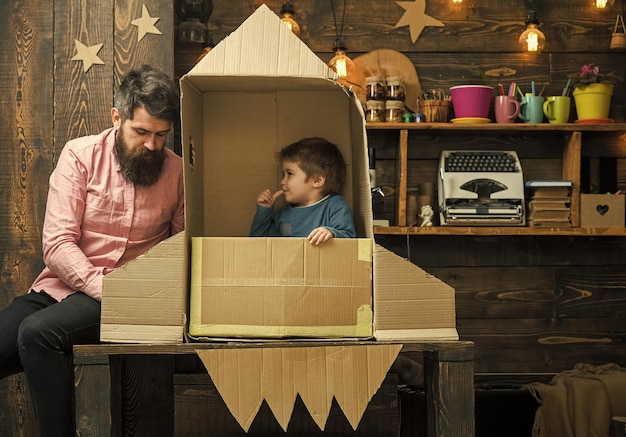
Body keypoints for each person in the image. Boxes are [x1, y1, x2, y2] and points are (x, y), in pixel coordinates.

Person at [0, 65, 184, 437]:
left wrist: (137, 294)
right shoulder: (80, 156)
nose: (152, 145)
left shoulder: (178, 172)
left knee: (37, 334)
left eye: (162, 135)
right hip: (62, 286)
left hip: (128, 294)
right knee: (21, 332)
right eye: (142, 132)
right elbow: (57, 244)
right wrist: (102, 285)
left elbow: (181, 247)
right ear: (117, 117)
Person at [249, 137, 356, 245]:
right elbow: (257, 244)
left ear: (317, 180)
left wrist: (331, 233)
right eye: (283, 175)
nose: (282, 181)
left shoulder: (335, 206)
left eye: (289, 174)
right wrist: (264, 212)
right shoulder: (283, 215)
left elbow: (349, 238)